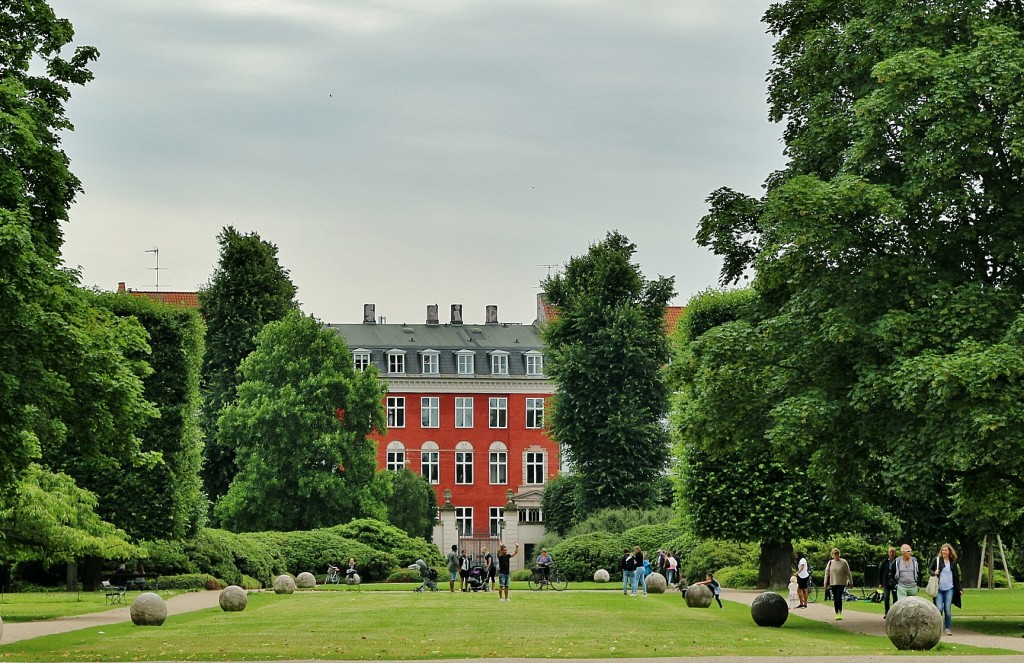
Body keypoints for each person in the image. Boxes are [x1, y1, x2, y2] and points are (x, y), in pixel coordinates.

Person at [929, 543, 962, 636]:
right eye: (943, 550)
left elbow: (956, 576)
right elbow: (930, 570)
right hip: (939, 588)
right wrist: (934, 572)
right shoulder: (937, 560)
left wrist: (959, 589)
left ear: (949, 552)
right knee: (939, 608)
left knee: (947, 609)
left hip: (949, 588)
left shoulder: (953, 562)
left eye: (946, 550)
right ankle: (938, 628)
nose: (944, 552)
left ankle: (947, 628)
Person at [824, 548, 853, 620]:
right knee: (835, 598)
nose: (836, 554)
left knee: (838, 596)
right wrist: (825, 583)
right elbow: (827, 573)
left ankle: (840, 611)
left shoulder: (843, 562)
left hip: (841, 582)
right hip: (833, 582)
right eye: (835, 553)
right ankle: (836, 612)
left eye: (837, 553)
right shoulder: (830, 562)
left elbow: (848, 573)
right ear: (832, 554)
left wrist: (850, 582)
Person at [877, 546, 899, 617]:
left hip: (894, 582)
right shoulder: (885, 562)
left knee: (895, 598)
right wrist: (880, 583)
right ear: (888, 553)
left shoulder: (898, 561)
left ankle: (895, 613)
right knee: (886, 597)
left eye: (893, 552)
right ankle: (887, 612)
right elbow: (880, 573)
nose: (892, 553)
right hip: (886, 582)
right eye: (890, 552)